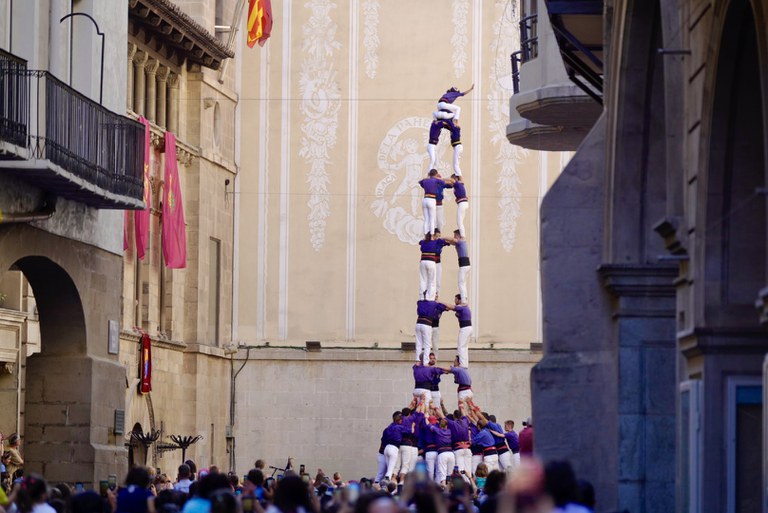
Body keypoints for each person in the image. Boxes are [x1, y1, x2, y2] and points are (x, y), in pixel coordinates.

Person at [428, 85, 474, 177]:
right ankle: (458, 177)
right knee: (458, 109)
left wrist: (437, 120)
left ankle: (432, 173)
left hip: (439, 107)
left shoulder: (447, 94)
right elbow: (463, 94)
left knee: (435, 161)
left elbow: (445, 124)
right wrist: (471, 89)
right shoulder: (454, 94)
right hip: (443, 109)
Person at [418, 231, 454, 301]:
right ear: (433, 236)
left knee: (436, 280)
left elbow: (449, 242)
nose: (438, 237)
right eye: (437, 236)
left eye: (439, 236)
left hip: (436, 262)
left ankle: (435, 294)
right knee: (430, 280)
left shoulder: (438, 242)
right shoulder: (435, 242)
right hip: (432, 262)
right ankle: (428, 296)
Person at [419, 170, 453, 237]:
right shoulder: (431, 182)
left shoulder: (439, 183)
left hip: (439, 204)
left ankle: (438, 234)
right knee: (432, 220)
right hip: (432, 202)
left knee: (440, 222)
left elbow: (451, 185)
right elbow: (421, 182)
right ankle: (431, 235)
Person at [443, 296, 472, 368]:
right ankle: (464, 364)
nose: (454, 301)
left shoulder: (461, 307)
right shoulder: (464, 308)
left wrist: (439, 301)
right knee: (464, 347)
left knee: (461, 347)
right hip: (468, 328)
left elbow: (451, 306)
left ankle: (462, 364)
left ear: (459, 300)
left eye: (455, 299)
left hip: (464, 328)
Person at [414, 300, 437, 365]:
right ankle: (426, 361)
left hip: (418, 323)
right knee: (427, 345)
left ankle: (418, 360)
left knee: (419, 343)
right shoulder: (433, 303)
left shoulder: (420, 302)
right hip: (426, 324)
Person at [452, 231, 471, 303]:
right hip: (466, 265)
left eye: (455, 236)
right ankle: (464, 299)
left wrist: (442, 238)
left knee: (461, 283)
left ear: (459, 235)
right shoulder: (461, 243)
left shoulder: (461, 241)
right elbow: (451, 242)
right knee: (463, 283)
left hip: (463, 266)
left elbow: (452, 240)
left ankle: (463, 301)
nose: (454, 237)